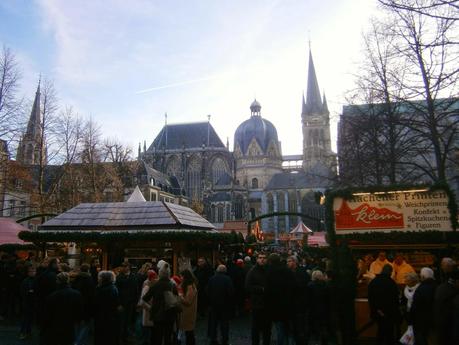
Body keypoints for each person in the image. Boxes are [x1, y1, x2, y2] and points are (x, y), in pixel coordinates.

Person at [41, 272, 84, 345]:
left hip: (56, 324)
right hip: (71, 324)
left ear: (58, 281)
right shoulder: (77, 294)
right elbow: (80, 311)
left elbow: (47, 313)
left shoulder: (52, 296)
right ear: (68, 280)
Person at [143, 263, 179, 345]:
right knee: (168, 337)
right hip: (170, 315)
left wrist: (151, 307)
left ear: (160, 274)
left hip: (157, 315)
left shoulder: (155, 285)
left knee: (157, 337)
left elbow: (145, 298)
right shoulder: (172, 285)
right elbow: (177, 298)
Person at [265, 253, 294, 345]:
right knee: (288, 328)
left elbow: (267, 290)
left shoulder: (269, 272)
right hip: (287, 304)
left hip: (275, 305)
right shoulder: (287, 270)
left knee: (279, 328)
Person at [368, 264, 400, 345]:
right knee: (389, 334)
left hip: (377, 312)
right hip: (389, 313)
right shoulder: (392, 283)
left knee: (380, 332)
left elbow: (370, 297)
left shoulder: (374, 282)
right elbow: (395, 300)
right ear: (390, 272)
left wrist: (377, 310)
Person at [245, 252, 271, 345]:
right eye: (260, 257)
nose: (262, 259)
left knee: (267, 328)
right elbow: (248, 286)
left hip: (268, 304)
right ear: (257, 259)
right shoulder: (252, 271)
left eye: (264, 258)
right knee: (255, 328)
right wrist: (261, 289)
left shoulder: (269, 270)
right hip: (256, 304)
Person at [207, 264, 234, 345]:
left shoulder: (211, 279)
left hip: (214, 305)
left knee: (213, 323)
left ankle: (213, 339)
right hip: (224, 305)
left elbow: (207, 291)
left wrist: (210, 301)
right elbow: (231, 292)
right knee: (224, 324)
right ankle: (225, 340)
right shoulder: (227, 279)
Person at [287, 255, 311, 345]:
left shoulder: (302, 272)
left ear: (294, 262)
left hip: (300, 304)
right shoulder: (289, 272)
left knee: (300, 327)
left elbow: (303, 286)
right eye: (287, 262)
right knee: (295, 327)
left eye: (289, 261)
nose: (288, 263)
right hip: (292, 304)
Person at [94, 270, 121, 345]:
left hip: (103, 316)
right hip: (111, 316)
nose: (98, 279)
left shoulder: (100, 288)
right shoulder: (113, 288)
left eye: (100, 277)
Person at [410, 267, 437, 345]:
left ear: (423, 277)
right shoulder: (436, 286)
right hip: (433, 318)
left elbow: (415, 306)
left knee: (421, 339)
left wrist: (410, 318)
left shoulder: (421, 289)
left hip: (421, 320)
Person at [72, 263, 96, 345]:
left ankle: (75, 340)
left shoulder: (76, 279)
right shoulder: (89, 280)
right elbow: (92, 295)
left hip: (76, 305)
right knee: (85, 325)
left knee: (76, 324)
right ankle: (78, 342)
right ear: (88, 270)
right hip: (86, 305)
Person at [434, 269, 459, 345]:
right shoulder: (453, 291)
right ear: (456, 281)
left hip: (442, 325)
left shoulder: (441, 287)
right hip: (449, 327)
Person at [34, 257, 60, 331]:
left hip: (43, 301)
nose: (59, 264)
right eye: (58, 263)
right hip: (48, 302)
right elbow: (53, 290)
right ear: (54, 264)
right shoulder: (52, 275)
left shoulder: (46, 273)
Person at [116, 262, 138, 344]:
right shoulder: (119, 277)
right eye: (122, 266)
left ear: (128, 267)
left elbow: (136, 289)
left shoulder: (133, 276)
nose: (123, 268)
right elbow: (117, 291)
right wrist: (118, 303)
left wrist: (136, 301)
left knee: (127, 321)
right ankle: (121, 338)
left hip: (131, 302)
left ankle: (125, 337)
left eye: (125, 266)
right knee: (122, 321)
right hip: (122, 303)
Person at [308, 270, 331, 345]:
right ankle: (324, 340)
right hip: (324, 308)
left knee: (315, 325)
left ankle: (316, 339)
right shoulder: (326, 285)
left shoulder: (310, 285)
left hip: (313, 308)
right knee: (323, 325)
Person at [178, 269, 198, 345]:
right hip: (187, 312)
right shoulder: (189, 285)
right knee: (189, 332)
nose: (181, 278)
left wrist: (180, 296)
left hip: (188, 312)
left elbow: (188, 301)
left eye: (181, 276)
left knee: (189, 333)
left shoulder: (190, 287)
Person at [138, 270, 157, 345]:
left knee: (150, 332)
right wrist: (150, 308)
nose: (156, 279)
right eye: (155, 277)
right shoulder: (147, 287)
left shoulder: (154, 285)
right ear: (151, 278)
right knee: (146, 333)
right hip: (148, 312)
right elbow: (143, 301)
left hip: (152, 313)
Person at [19, 264, 36, 340]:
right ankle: (23, 332)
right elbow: (22, 292)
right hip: (27, 302)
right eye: (31, 271)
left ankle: (28, 332)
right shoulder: (25, 281)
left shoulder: (35, 280)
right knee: (25, 318)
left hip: (32, 302)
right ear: (28, 272)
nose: (32, 272)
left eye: (34, 271)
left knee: (29, 318)